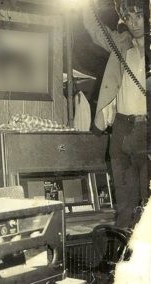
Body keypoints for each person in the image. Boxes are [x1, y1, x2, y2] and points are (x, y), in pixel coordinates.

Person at [83, 0, 147, 228]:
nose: (134, 22)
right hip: (121, 129)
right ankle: (121, 257)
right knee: (124, 206)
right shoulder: (121, 43)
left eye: (139, 15)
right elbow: (95, 28)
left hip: (146, 130)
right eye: (128, 17)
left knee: (147, 205)